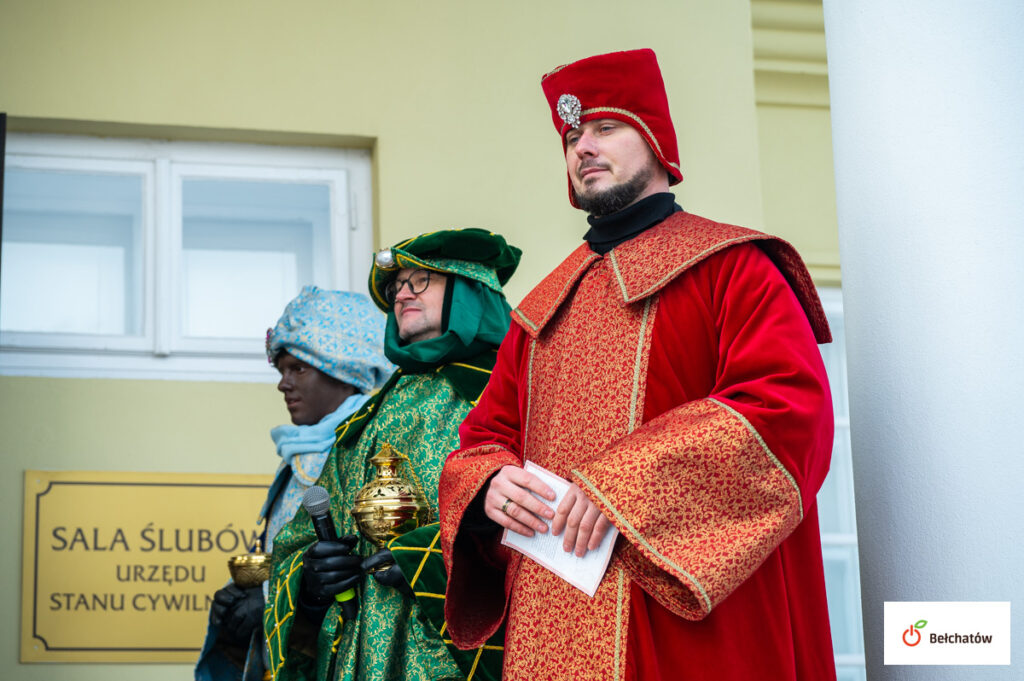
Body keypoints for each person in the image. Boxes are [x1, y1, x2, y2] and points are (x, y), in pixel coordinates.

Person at [439, 49, 837, 681]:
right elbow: (485, 439)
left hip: (684, 630)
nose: (583, 147)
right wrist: (487, 485)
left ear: (654, 139)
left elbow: (787, 409)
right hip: (551, 619)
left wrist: (625, 485)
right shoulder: (538, 312)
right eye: (572, 137)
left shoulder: (734, 268)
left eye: (606, 127)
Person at [264, 229, 520, 681]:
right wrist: (310, 580)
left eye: (420, 280)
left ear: (470, 288)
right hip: (356, 658)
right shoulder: (373, 412)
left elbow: (554, 521)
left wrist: (434, 561)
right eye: (396, 286)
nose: (401, 294)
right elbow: (297, 540)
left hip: (451, 661)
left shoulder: (518, 392)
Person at [196, 286, 393, 681]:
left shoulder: (369, 450)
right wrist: (241, 592)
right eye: (281, 369)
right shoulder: (299, 454)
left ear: (344, 372)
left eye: (298, 368)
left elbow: (368, 572)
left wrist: (274, 602)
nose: (283, 384)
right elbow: (283, 549)